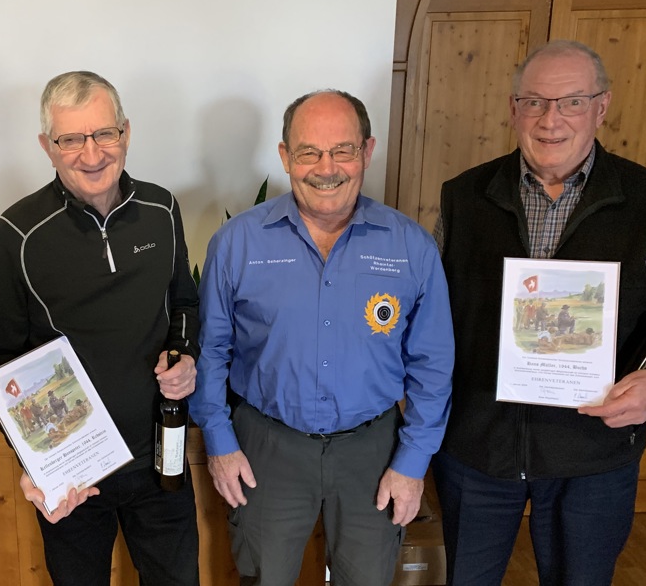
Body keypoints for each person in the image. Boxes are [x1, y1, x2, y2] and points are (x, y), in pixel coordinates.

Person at [434, 39, 646, 585]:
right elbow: (428, 312)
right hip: (477, 448)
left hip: (593, 455)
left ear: (602, 107)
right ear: (514, 109)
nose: (550, 120)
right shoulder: (463, 198)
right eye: (534, 102)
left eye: (572, 101)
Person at [190, 89, 454, 585]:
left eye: (343, 150)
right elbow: (211, 353)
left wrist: (413, 461)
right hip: (266, 450)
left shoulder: (411, 247)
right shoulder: (237, 243)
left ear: (367, 151)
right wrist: (220, 444)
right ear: (286, 156)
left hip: (373, 453)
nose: (326, 168)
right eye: (309, 151)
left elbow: (433, 365)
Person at [0, 70, 200, 585]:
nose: (92, 153)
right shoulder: (18, 233)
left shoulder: (161, 209)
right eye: (71, 139)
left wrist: (185, 356)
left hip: (159, 455)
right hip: (73, 473)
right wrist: (32, 464)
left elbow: (184, 303)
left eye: (104, 133)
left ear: (126, 132)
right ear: (47, 147)